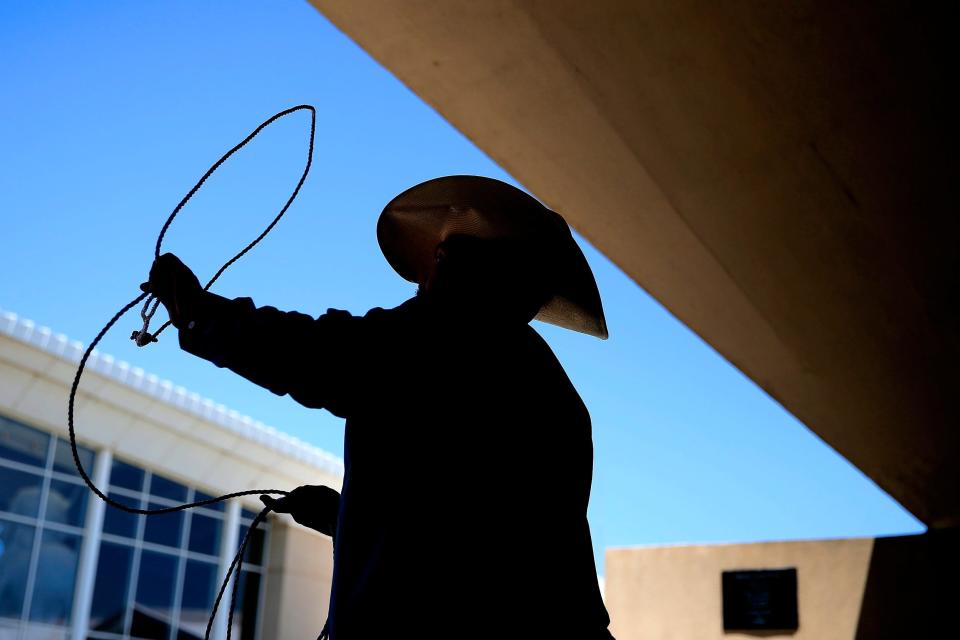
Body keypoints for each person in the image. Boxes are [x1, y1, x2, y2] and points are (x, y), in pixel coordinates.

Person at [143, 175, 614, 639]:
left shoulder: (446, 335)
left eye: (445, 258)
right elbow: (472, 525)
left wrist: (200, 312)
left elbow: (316, 354)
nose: (429, 272)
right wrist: (341, 515)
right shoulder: (547, 387)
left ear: (458, 269)